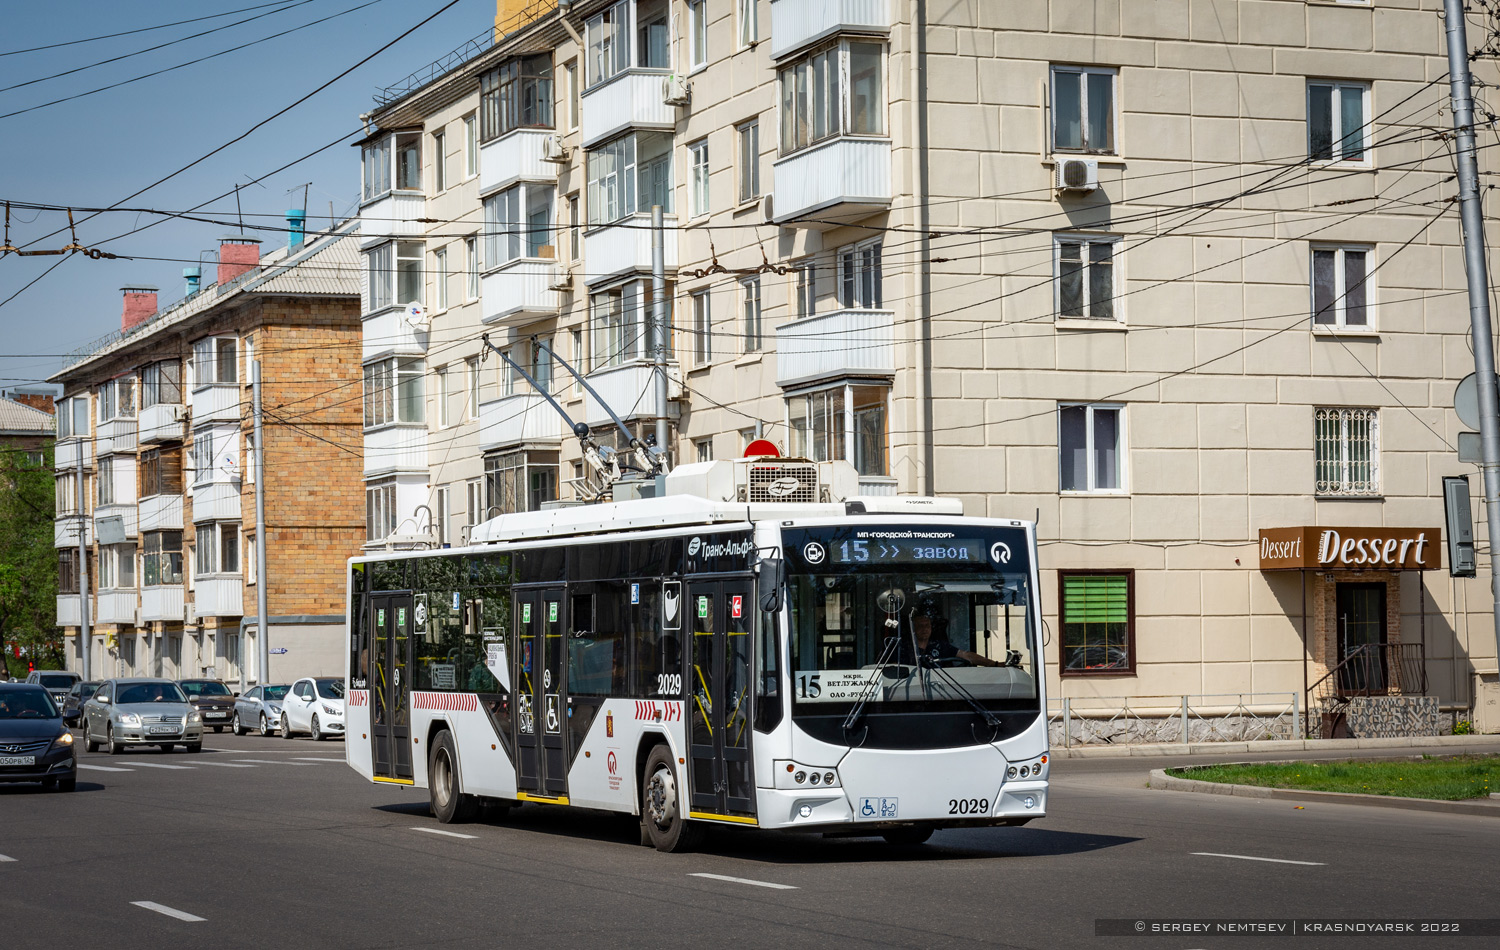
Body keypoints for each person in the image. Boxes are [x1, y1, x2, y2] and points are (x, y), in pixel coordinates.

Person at [894, 600, 1001, 668]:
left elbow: (966, 655)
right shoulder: (901, 648)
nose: (924, 629)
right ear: (913, 628)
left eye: (927, 625)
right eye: (920, 626)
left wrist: (994, 664)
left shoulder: (939, 646)